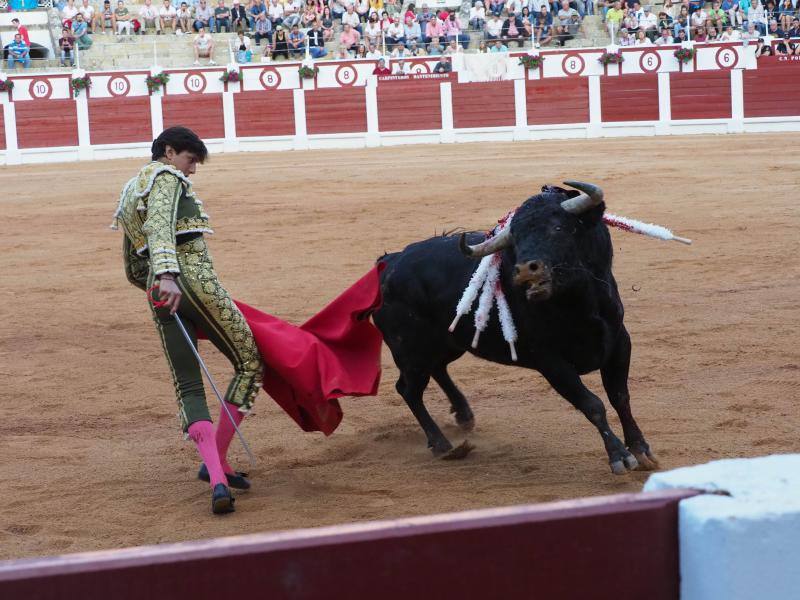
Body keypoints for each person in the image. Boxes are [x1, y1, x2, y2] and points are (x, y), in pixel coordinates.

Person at [113, 127, 263, 515]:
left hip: (159, 292)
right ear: (168, 151)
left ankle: (216, 478)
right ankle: (219, 459)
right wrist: (169, 275)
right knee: (249, 362)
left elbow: (132, 267)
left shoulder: (130, 190)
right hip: (190, 279)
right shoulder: (166, 177)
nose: (192, 169)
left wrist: (157, 285)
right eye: (190, 159)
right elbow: (160, 225)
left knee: (189, 385)